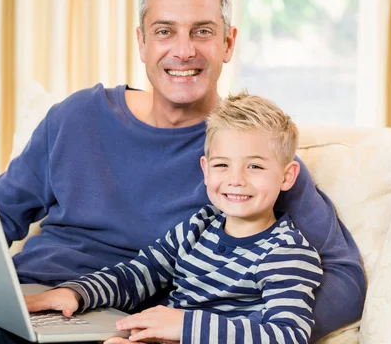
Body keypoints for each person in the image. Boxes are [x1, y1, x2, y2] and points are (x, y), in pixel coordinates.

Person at [0, 0, 365, 343]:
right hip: (29, 297)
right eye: (164, 31)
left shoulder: (253, 160)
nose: (183, 50)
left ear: (227, 43)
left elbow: (344, 280)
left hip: (108, 325)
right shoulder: (75, 116)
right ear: (141, 42)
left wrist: (200, 329)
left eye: (202, 31)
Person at [26, 92, 323, 344]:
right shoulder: (198, 227)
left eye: (255, 167)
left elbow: (288, 335)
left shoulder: (287, 254)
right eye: (222, 165)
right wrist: (76, 293)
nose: (236, 180)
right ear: (205, 170)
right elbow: (137, 276)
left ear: (287, 176)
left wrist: (185, 326)